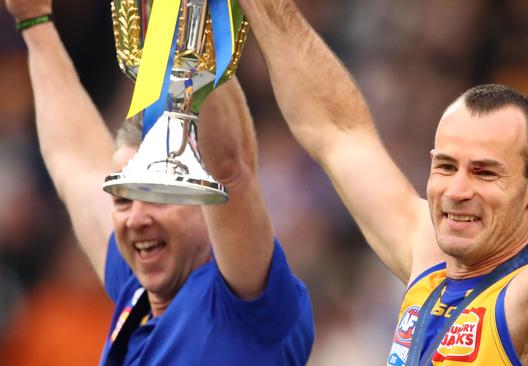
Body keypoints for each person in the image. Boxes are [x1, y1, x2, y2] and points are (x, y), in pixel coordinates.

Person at [237, 0, 528, 364]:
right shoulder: (427, 260)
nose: (458, 191)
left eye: (485, 172)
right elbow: (339, 133)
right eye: (446, 167)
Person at [6, 0, 314, 364]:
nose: (136, 218)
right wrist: (36, 23)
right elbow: (73, 164)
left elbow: (231, 168)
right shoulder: (137, 292)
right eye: (122, 199)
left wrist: (184, 26)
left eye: (158, 195)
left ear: (208, 202)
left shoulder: (242, 302)